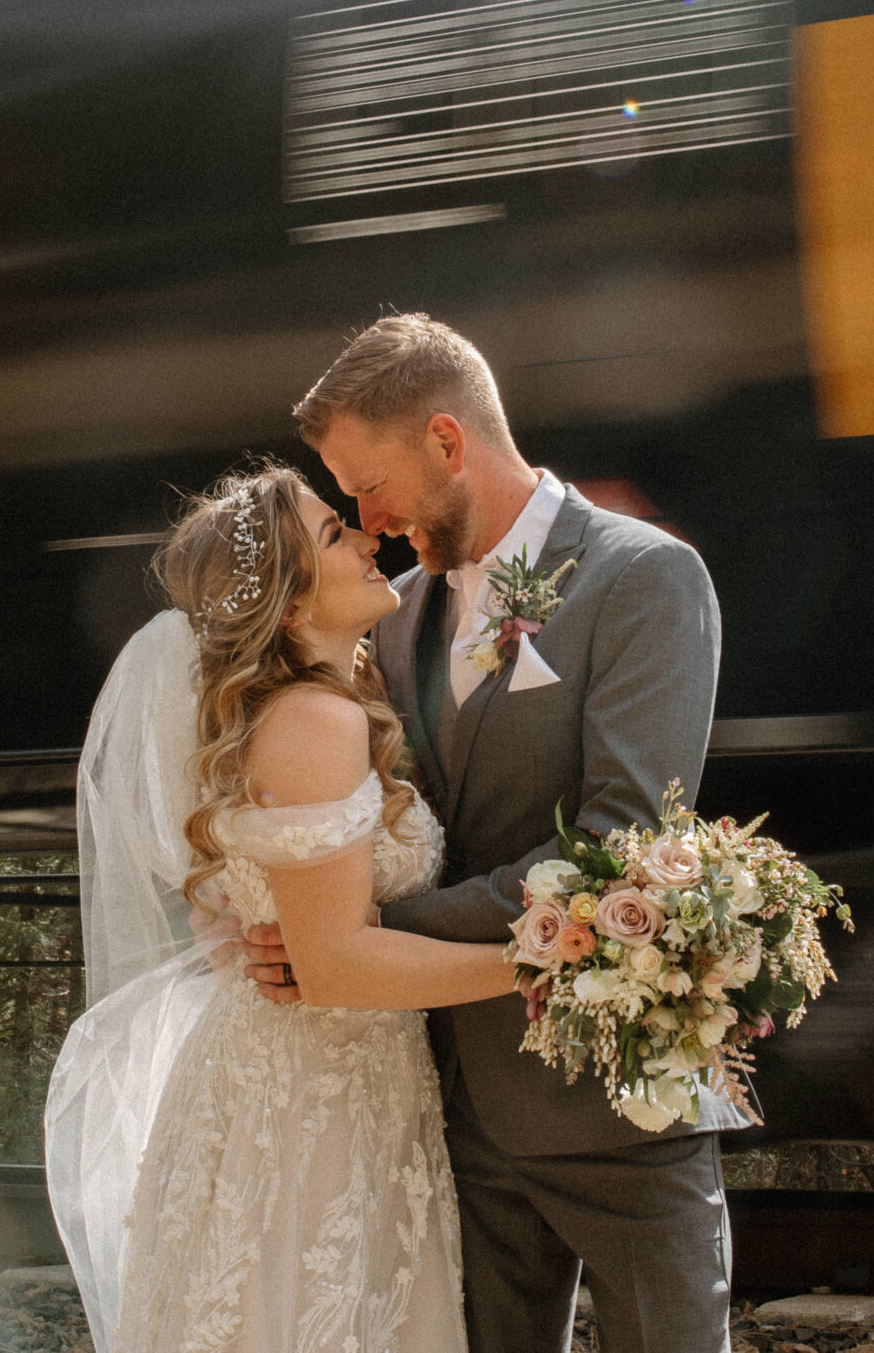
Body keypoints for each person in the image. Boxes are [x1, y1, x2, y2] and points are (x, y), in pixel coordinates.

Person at [242, 313, 734, 1353]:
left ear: (445, 441)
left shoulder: (642, 578)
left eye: (365, 484)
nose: (361, 518)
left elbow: (621, 845)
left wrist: (365, 938)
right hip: (447, 1115)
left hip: (614, 1103)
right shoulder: (390, 612)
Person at [43, 462, 520, 1353]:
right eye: (337, 535)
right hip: (307, 1102)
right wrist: (538, 967)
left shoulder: (338, 701)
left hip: (328, 1084)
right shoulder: (315, 721)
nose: (368, 534)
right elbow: (335, 964)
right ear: (293, 605)